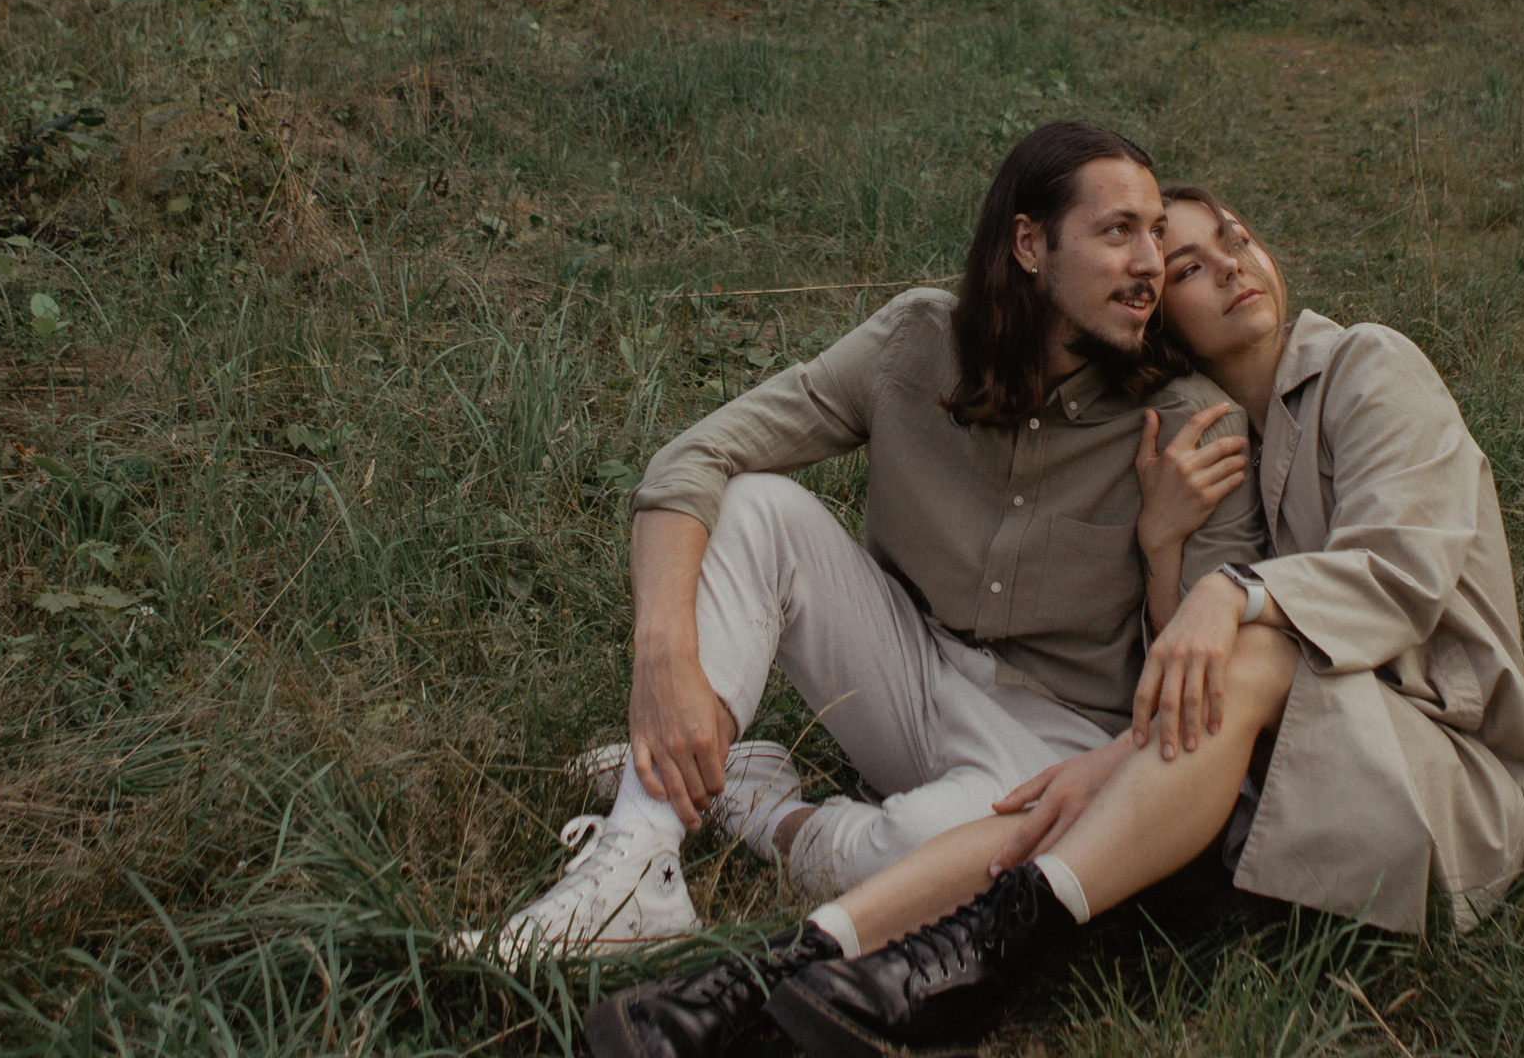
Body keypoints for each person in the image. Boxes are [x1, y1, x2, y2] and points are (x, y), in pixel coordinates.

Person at [584, 184, 1524, 1058]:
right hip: (1272, 776)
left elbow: (1401, 569)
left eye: (1235, 238)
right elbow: (1176, 676)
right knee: (1065, 789)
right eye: (1188, 264)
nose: (1233, 264)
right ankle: (753, 987)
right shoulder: (1212, 437)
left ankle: (979, 958)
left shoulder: (1365, 367)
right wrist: (1166, 545)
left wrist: (1230, 592)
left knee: (1242, 664)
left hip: (1444, 781)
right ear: (1160, 320)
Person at [463, 120, 1263, 968]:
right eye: (1118, 233)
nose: (1148, 265)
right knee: (758, 506)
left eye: (1155, 237)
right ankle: (635, 867)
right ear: (1029, 244)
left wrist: (1165, 541)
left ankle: (768, 811)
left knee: (925, 851)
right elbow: (694, 458)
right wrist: (661, 654)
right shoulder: (918, 343)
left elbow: (1200, 685)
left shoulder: (1189, 426)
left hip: (1052, 743)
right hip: (901, 670)